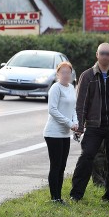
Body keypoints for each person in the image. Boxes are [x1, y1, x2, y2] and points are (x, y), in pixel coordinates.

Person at [70, 42, 109, 204]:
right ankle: (76, 194)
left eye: (108, 53)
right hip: (94, 126)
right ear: (97, 55)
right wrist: (80, 126)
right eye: (102, 53)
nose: (105, 56)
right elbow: (81, 104)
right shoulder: (87, 76)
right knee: (86, 157)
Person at [43, 61, 79, 204]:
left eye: (68, 72)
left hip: (65, 134)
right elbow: (52, 110)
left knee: (62, 165)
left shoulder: (71, 87)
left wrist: (75, 122)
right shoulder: (55, 88)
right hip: (53, 133)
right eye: (63, 72)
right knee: (56, 165)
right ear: (58, 74)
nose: (66, 75)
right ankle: (55, 197)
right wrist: (70, 123)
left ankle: (59, 197)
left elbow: (73, 109)